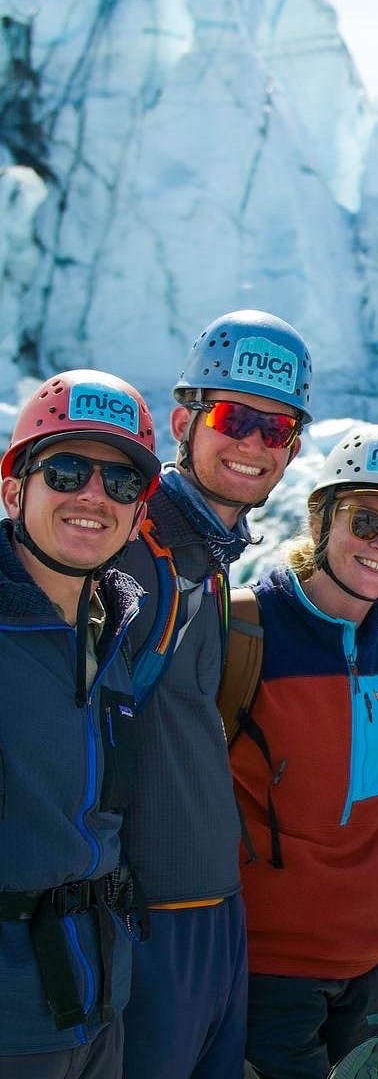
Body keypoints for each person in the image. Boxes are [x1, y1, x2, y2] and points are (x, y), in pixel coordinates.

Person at [117, 310, 313, 1079]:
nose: (254, 445)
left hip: (214, 919)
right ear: (183, 421)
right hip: (144, 923)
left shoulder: (208, 557)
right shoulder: (130, 546)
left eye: (278, 430)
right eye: (234, 418)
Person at [230, 425, 378, 1078]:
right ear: (322, 519)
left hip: (369, 960)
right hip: (270, 973)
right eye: (366, 521)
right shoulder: (246, 630)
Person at [0, 370, 161, 1077]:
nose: (93, 496)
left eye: (121, 483)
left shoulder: (112, 634)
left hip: (97, 1007)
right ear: (14, 490)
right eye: (66, 469)